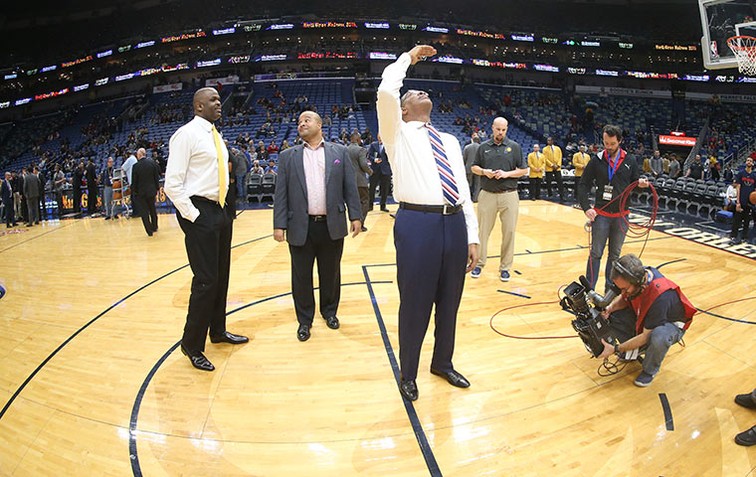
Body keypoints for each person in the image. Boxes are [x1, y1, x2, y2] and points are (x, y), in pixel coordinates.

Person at [377, 44, 479, 401]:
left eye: (423, 90)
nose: (422, 91)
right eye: (413, 93)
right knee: (416, 302)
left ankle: (443, 362)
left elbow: (463, 189)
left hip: (454, 224)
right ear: (403, 110)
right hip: (417, 223)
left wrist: (473, 236)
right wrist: (409, 58)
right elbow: (386, 90)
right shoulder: (396, 135)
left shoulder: (450, 139)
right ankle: (408, 373)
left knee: (449, 300)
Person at [164, 87, 248, 372]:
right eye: (212, 100)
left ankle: (218, 331)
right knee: (206, 280)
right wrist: (194, 216)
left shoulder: (216, 136)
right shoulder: (185, 135)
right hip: (201, 212)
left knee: (221, 276)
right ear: (198, 106)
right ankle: (191, 344)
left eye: (218, 99)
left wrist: (226, 211)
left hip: (220, 209)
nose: (219, 103)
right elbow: (172, 184)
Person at [273, 111, 362, 342]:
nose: (301, 123)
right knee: (301, 276)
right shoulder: (287, 156)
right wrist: (279, 224)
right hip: (300, 225)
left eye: (307, 120)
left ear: (320, 125)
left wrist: (356, 216)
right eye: (299, 121)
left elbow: (350, 187)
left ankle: (329, 312)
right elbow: (280, 193)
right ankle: (304, 320)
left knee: (331, 273)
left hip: (331, 224)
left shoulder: (339, 152)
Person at [596, 254, 695, 387]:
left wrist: (615, 349)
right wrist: (610, 308)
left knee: (659, 336)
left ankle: (649, 371)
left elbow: (645, 335)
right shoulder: (640, 277)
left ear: (637, 282)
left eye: (624, 289)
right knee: (613, 315)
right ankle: (632, 351)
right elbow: (624, 297)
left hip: (670, 324)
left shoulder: (661, 296)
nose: (622, 292)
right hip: (648, 315)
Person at [578, 124, 648, 291]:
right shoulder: (597, 160)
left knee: (614, 256)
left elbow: (634, 184)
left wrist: (641, 184)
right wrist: (587, 207)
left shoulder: (630, 160)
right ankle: (590, 290)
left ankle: (610, 291)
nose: (608, 147)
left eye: (612, 144)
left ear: (620, 141)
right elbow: (583, 184)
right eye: (605, 143)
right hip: (601, 214)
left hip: (622, 216)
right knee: (595, 254)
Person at [470, 117, 527, 281]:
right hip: (487, 194)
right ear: (492, 128)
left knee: (509, 232)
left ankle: (505, 267)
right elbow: (474, 167)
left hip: (509, 195)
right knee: (482, 232)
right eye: (498, 129)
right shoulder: (483, 147)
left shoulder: (514, 147)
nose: (500, 132)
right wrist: (484, 172)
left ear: (506, 129)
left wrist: (506, 174)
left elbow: (523, 170)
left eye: (503, 130)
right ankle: (479, 264)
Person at [131, 148, 161, 236]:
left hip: (141, 193)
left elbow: (134, 181)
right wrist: (157, 188)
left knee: (144, 212)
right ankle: (155, 226)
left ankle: (149, 231)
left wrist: (134, 191)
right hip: (151, 191)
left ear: (139, 155)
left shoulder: (136, 166)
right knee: (152, 209)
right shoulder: (152, 163)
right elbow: (156, 177)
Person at [347, 131, 372, 231]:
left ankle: (353, 223)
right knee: (364, 201)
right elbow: (364, 164)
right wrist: (370, 172)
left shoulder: (345, 149)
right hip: (360, 181)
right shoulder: (361, 150)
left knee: (353, 203)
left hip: (349, 181)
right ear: (358, 140)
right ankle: (360, 224)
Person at [729, 157, 755, 244]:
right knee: (737, 220)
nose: (749, 162)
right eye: (748, 160)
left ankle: (744, 237)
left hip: (750, 202)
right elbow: (737, 188)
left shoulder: (754, 176)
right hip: (741, 200)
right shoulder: (741, 173)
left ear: (752, 163)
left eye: (750, 161)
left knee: (747, 221)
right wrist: (738, 202)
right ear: (745, 162)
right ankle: (733, 236)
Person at [367, 135, 392, 211]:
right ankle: (370, 205)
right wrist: (374, 159)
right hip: (375, 169)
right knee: (372, 188)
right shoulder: (373, 145)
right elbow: (369, 155)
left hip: (385, 170)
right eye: (379, 136)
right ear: (377, 137)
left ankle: (383, 206)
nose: (380, 137)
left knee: (385, 189)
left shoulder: (388, 145)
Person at [543, 136, 565, 201]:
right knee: (549, 182)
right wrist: (552, 165)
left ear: (552, 141)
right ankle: (550, 195)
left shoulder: (558, 148)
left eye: (549, 140)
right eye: (548, 140)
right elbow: (545, 158)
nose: (548, 142)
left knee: (560, 182)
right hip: (549, 168)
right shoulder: (545, 149)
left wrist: (558, 165)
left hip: (557, 168)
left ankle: (562, 195)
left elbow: (560, 157)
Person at [463, 133, 481, 202]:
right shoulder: (481, 148)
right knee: (477, 185)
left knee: (467, 185)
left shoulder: (467, 147)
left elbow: (464, 159)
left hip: (469, 168)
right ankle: (475, 199)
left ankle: (467, 199)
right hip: (478, 169)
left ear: (472, 140)